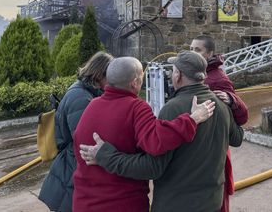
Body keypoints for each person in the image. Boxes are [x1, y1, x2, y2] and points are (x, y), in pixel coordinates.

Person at [79, 51, 244, 212]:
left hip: (176, 204)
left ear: (177, 75)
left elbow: (154, 166)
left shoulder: (172, 108)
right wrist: (233, 102)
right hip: (213, 202)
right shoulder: (222, 105)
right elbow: (238, 138)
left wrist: (106, 156)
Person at [38, 51, 114, 212]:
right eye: (111, 77)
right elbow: (84, 140)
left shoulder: (83, 91)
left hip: (70, 166)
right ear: (100, 75)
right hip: (71, 170)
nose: (113, 83)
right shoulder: (80, 98)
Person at [190, 34, 249, 212]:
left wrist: (231, 99)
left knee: (218, 199)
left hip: (214, 148)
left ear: (209, 54)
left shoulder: (218, 78)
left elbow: (242, 117)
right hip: (198, 146)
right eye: (191, 49)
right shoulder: (193, 72)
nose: (193, 53)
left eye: (197, 50)